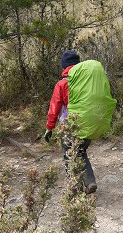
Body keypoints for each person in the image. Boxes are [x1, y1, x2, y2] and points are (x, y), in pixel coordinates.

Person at [43, 50, 100, 194]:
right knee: (81, 151)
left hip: (70, 126)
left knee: (69, 154)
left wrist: (49, 128)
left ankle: (75, 187)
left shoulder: (62, 84)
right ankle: (90, 181)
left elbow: (54, 108)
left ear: (64, 67)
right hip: (89, 123)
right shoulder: (88, 82)